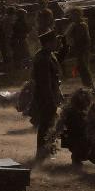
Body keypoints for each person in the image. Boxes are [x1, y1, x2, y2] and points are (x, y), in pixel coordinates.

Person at [31, 30, 62, 161]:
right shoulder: (43, 59)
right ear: (48, 43)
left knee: (49, 124)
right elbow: (45, 83)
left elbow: (54, 78)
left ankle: (47, 152)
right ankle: (42, 153)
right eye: (55, 41)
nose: (57, 43)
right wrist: (51, 101)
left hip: (50, 95)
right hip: (45, 97)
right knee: (46, 125)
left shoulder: (48, 55)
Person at [65, 9, 93, 87]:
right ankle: (87, 84)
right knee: (82, 67)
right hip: (78, 48)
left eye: (73, 15)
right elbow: (66, 35)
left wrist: (86, 48)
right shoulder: (74, 25)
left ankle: (89, 85)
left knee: (84, 67)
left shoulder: (83, 24)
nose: (72, 17)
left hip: (83, 49)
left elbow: (87, 38)